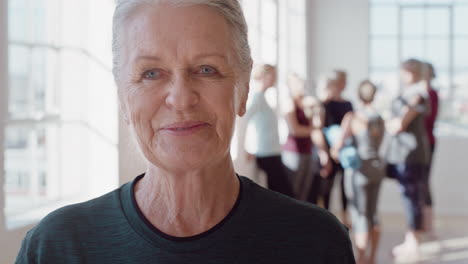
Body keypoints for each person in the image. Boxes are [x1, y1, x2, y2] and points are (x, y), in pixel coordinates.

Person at [15, 1, 355, 263]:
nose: (180, 99)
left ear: (243, 86)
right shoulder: (58, 247)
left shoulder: (315, 242)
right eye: (151, 73)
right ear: (121, 94)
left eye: (206, 69)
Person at [331, 81, 385, 264]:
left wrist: (336, 150)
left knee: (360, 216)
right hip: (377, 168)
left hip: (359, 171)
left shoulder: (353, 116)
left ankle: (360, 259)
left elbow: (337, 148)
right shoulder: (379, 118)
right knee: (372, 214)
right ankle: (372, 257)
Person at [383, 58, 430, 260]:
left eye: (406, 72)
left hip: (410, 156)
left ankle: (413, 243)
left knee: (412, 198)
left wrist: (390, 121)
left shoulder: (418, 95)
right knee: (410, 197)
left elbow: (398, 125)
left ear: (414, 72)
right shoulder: (407, 94)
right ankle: (412, 240)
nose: (403, 76)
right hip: (403, 155)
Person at [243, 64, 293, 197]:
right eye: (273, 75)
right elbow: (243, 121)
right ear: (263, 76)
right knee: (284, 193)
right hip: (266, 154)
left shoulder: (264, 98)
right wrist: (245, 149)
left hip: (273, 152)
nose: (275, 78)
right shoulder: (257, 98)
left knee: (280, 193)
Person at [314, 71, 353, 221]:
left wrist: (340, 144)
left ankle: (345, 216)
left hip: (343, 150)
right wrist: (326, 153)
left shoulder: (348, 104)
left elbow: (351, 127)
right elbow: (317, 129)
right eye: (343, 81)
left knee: (345, 185)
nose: (345, 85)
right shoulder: (323, 104)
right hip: (326, 150)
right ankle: (325, 217)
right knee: (326, 186)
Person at [421, 62, 438, 237]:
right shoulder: (420, 94)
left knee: (424, 183)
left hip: (427, 143)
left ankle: (428, 225)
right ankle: (424, 225)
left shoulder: (430, 94)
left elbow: (428, 120)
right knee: (421, 184)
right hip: (421, 144)